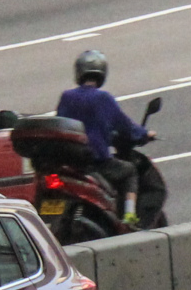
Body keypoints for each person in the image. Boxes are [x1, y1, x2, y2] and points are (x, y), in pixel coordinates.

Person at [56, 50, 154, 224]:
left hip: (69, 162)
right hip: (96, 162)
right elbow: (125, 125)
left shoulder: (66, 97)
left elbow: (60, 124)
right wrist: (145, 134)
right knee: (130, 171)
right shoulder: (103, 98)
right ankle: (129, 217)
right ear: (102, 72)